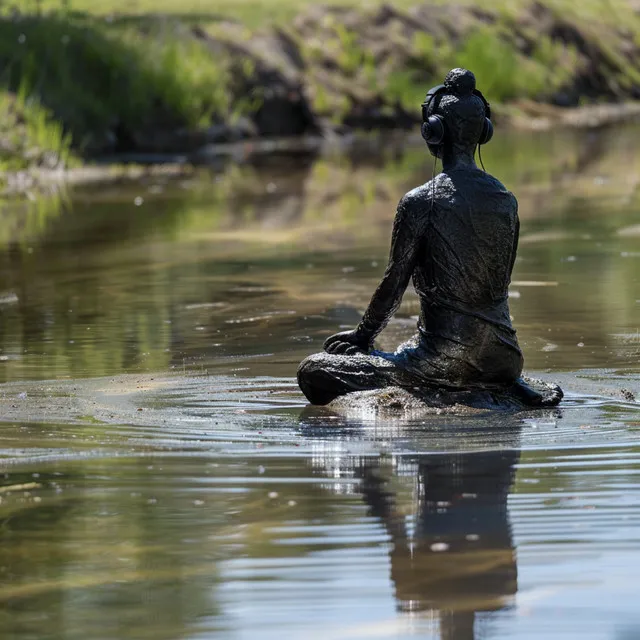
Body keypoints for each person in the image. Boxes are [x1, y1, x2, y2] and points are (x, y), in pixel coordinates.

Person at [297, 68, 549, 407]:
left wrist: (362, 336)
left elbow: (394, 283)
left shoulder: (419, 202)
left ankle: (446, 381)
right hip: (505, 359)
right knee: (405, 349)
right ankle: (499, 382)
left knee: (312, 370)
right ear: (483, 133)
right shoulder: (507, 200)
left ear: (433, 132)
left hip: (444, 359)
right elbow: (497, 285)